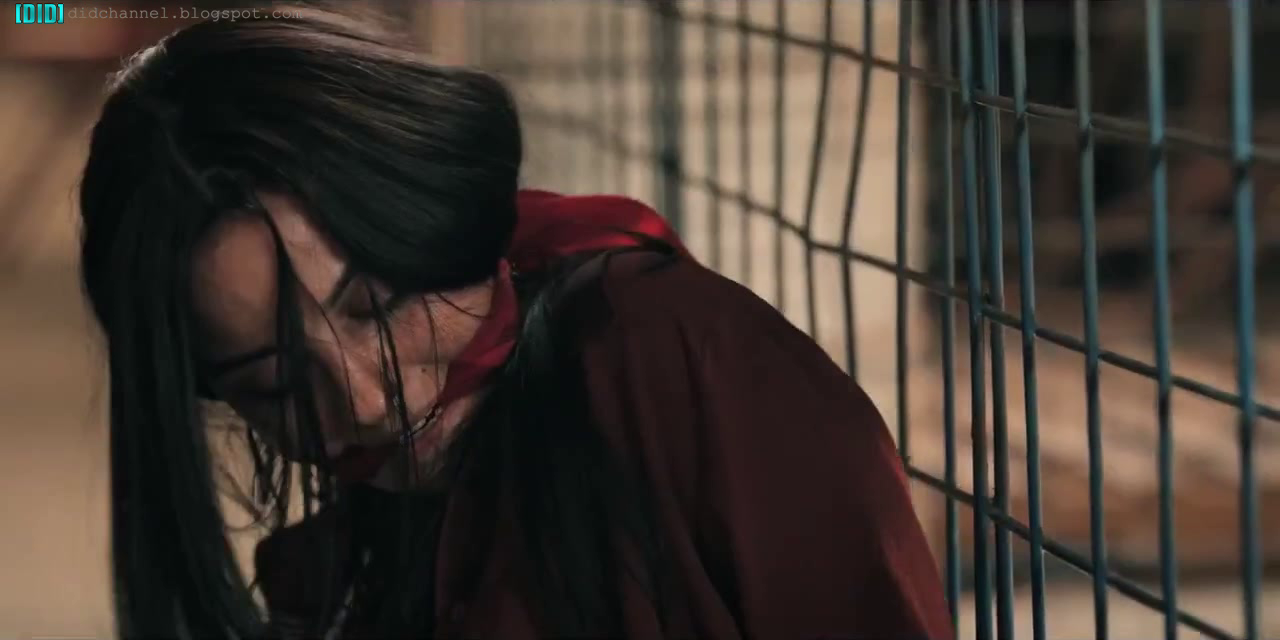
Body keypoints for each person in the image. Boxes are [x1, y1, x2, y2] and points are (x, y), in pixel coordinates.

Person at [78, 4, 953, 639]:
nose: (367, 401)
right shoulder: (344, 559)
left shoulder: (685, 365)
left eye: (379, 306)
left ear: (433, 220)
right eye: (276, 384)